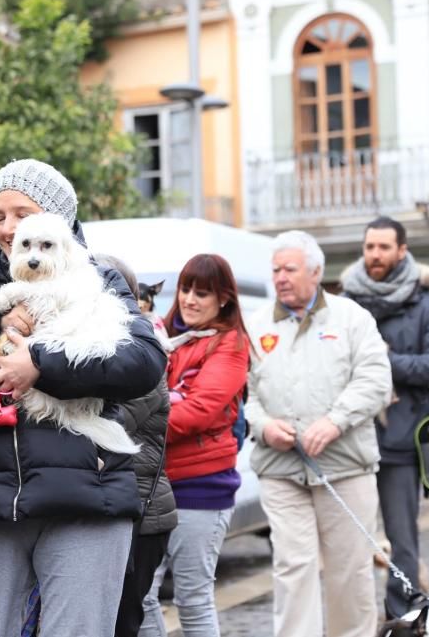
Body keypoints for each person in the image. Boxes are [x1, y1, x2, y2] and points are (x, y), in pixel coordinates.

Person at [0, 158, 167, 637]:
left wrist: (41, 364)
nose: (7, 228)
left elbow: (144, 362)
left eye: (21, 214)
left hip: (86, 497)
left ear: (58, 222)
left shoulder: (101, 281)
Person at [247, 231, 391, 637]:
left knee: (350, 569)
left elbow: (376, 379)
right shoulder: (256, 325)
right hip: (280, 470)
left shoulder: (352, 318)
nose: (280, 278)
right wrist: (263, 426)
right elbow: (246, 392)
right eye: (275, 270)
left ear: (315, 272)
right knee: (294, 568)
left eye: (289, 269)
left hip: (345, 467)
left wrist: (335, 421)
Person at [340, 216, 429, 616]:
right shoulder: (345, 305)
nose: (375, 254)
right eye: (370, 246)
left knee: (402, 540)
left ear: (402, 251)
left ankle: (402, 618)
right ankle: (355, 619)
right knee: (347, 541)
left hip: (401, 442)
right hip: (347, 439)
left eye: (384, 247)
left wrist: (386, 363)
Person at [137, 254, 247, 637]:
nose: (190, 299)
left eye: (203, 293)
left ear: (224, 300)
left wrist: (139, 426)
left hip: (201, 487)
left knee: (192, 598)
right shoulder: (160, 336)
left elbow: (200, 410)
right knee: (141, 595)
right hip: (154, 483)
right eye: (186, 289)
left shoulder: (230, 344)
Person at [92, 254, 176, 637]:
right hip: (115, 509)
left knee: (124, 622)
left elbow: (109, 426)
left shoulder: (143, 357)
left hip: (142, 514)